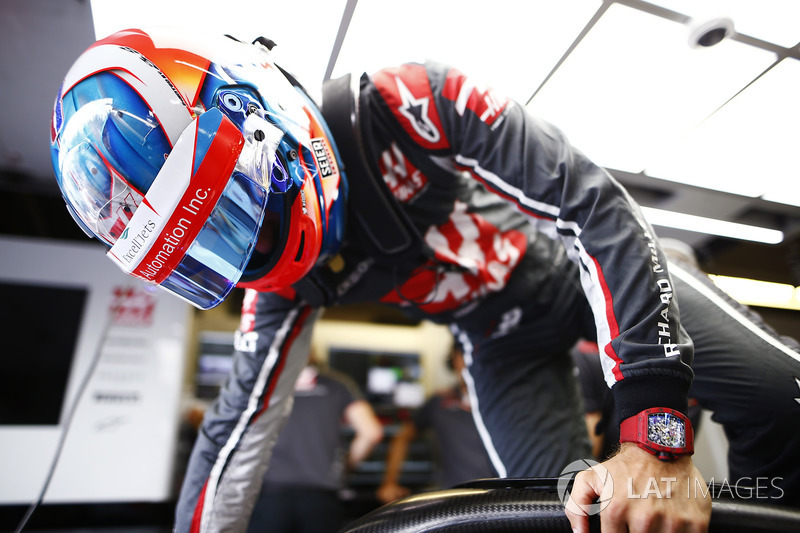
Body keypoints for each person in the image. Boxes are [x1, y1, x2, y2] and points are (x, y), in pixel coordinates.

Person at [48, 27, 800, 533]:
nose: (240, 251)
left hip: (570, 267)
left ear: (260, 122)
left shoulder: (402, 102)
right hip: (500, 348)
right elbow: (229, 437)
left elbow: (592, 203)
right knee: (569, 513)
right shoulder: (281, 291)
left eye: (230, 207)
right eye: (205, 243)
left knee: (784, 402)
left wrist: (656, 434)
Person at [245, 354, 383, 533]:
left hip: (269, 495)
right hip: (321, 497)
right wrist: (345, 469)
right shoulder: (338, 384)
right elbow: (371, 433)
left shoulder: (263, 385)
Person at [376, 343, 496, 504]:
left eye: (474, 355)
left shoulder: (503, 405)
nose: (468, 362)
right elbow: (402, 437)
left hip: (499, 500)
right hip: (453, 501)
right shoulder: (439, 402)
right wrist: (389, 482)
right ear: (453, 360)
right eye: (463, 356)